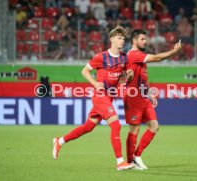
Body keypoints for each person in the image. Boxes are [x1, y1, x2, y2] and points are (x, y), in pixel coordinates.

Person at [52, 25, 135, 171]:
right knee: (116, 125)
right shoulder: (101, 57)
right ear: (111, 40)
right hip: (100, 96)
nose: (122, 41)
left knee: (88, 127)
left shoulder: (124, 58)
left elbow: (127, 75)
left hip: (110, 98)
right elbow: (84, 71)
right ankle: (120, 162)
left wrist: (129, 76)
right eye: (119, 38)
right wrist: (95, 83)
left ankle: (59, 141)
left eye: (123, 38)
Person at [124, 29, 182, 170]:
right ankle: (130, 162)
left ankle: (137, 156)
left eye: (145, 39)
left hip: (143, 96)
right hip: (133, 97)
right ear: (134, 40)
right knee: (134, 129)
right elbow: (157, 58)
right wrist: (174, 52)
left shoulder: (140, 57)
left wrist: (149, 93)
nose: (145, 41)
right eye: (142, 39)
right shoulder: (133, 55)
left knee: (154, 126)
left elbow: (142, 78)